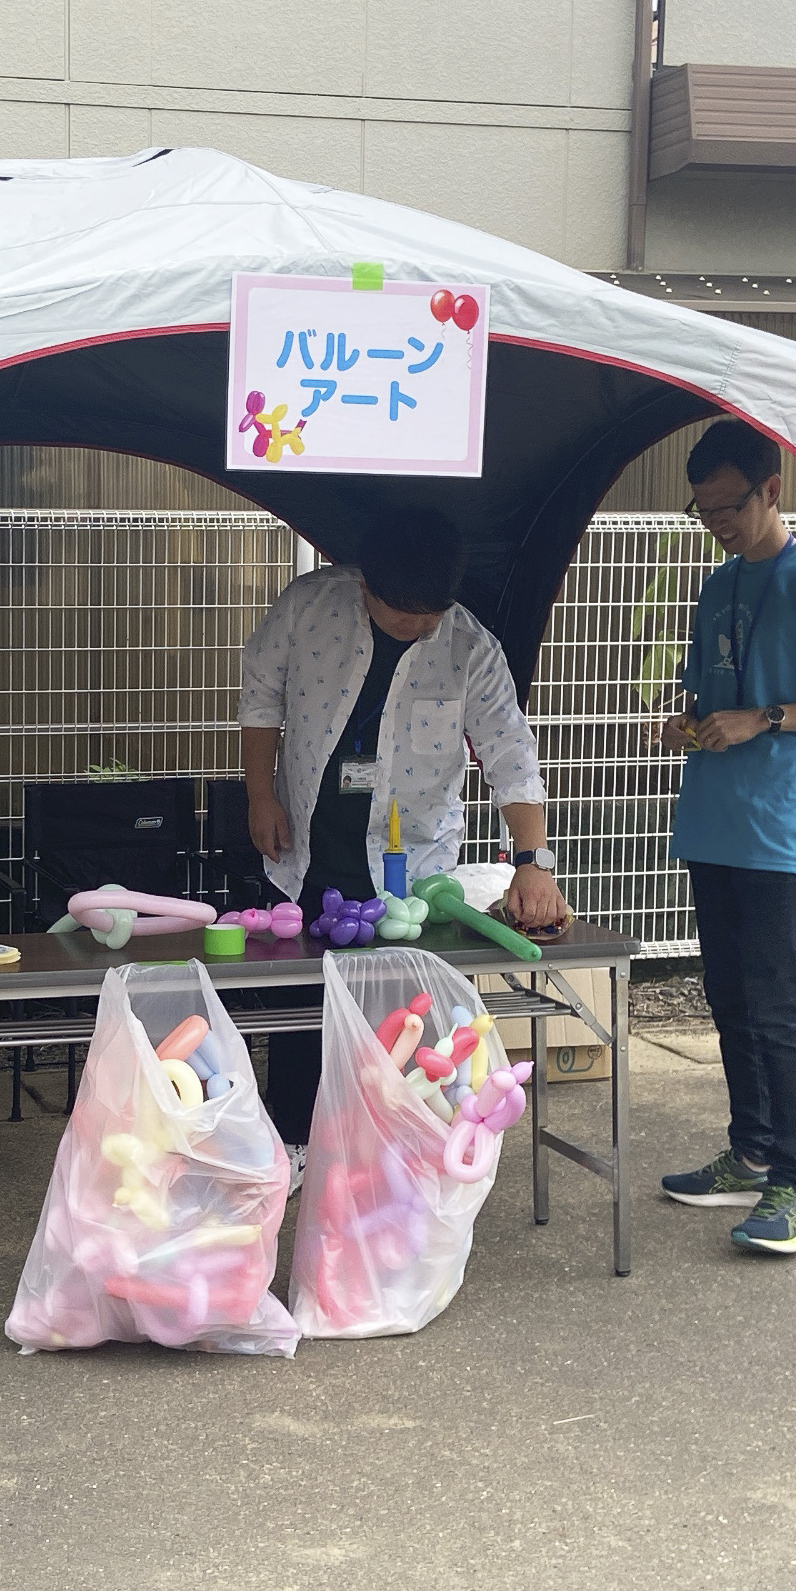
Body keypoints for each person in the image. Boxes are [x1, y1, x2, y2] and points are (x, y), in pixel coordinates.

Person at [238, 506, 565, 1183]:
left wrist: (532, 862)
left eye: (431, 614)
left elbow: (509, 751)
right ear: (365, 586)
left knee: (409, 1011)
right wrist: (259, 795)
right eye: (400, 614)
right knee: (304, 1004)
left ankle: (403, 1146)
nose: (417, 626)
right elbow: (262, 696)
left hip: (412, 861)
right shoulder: (308, 606)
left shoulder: (471, 646)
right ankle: (296, 1145)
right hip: (308, 842)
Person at [655, 420, 796, 1257]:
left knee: (778, 1008)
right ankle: (749, 1152)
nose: (717, 521)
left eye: (729, 506)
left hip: (779, 829)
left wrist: (766, 719)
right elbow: (713, 695)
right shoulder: (718, 587)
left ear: (771, 490)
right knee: (728, 998)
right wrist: (686, 725)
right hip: (712, 822)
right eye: (703, 509)